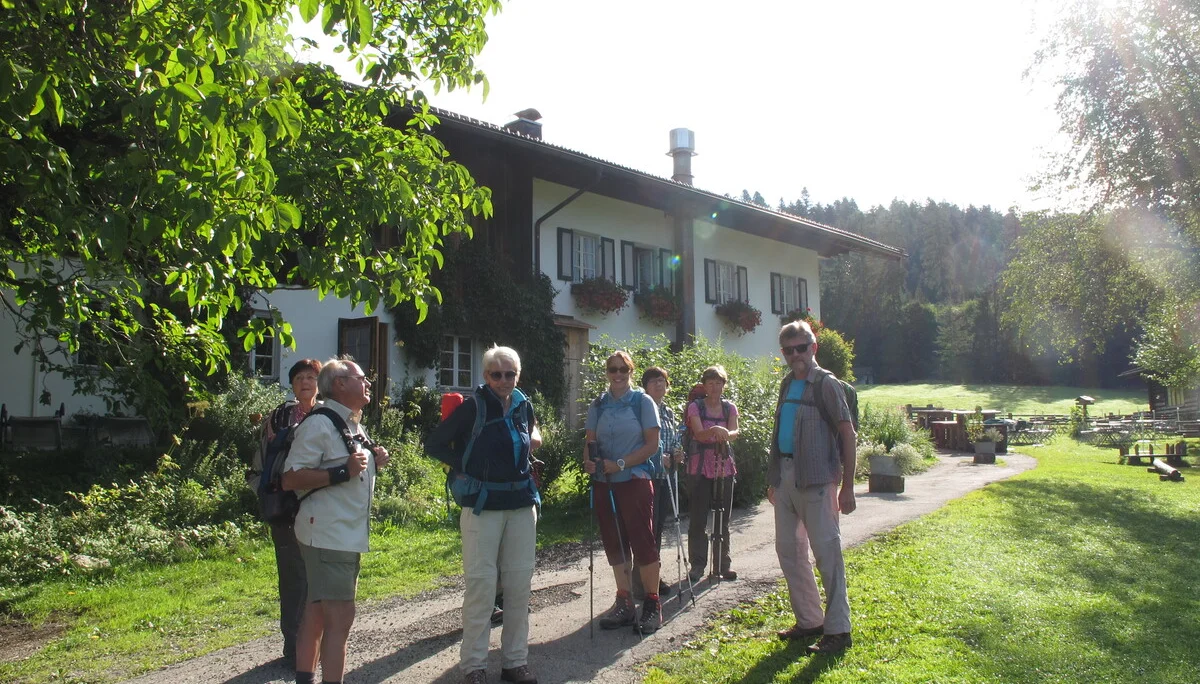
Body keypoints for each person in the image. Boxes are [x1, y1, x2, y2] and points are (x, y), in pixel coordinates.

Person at [426, 346, 542, 684]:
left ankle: (515, 663)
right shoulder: (473, 407)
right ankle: (474, 667)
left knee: (520, 587)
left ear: (517, 376)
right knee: (481, 587)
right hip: (482, 506)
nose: (504, 380)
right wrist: (466, 468)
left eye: (510, 374)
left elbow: (530, 438)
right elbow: (433, 444)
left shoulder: (523, 405)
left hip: (521, 505)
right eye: (497, 374)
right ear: (486, 376)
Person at [282, 358, 390, 684]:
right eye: (362, 377)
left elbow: (354, 465)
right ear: (340, 384)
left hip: (339, 533)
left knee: (316, 613)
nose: (368, 382)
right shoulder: (319, 423)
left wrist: (376, 459)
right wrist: (342, 471)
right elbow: (290, 478)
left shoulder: (350, 423)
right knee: (340, 620)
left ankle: (304, 678)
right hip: (329, 535)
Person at [767, 320, 857, 655]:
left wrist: (846, 487)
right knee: (788, 551)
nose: (795, 355)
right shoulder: (787, 383)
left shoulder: (826, 384)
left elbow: (847, 434)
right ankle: (810, 621)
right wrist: (773, 478)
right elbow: (779, 433)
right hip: (786, 478)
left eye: (801, 348)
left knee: (827, 555)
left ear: (813, 347)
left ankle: (838, 631)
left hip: (819, 481)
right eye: (788, 350)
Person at [247, 358, 322, 665]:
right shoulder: (279, 418)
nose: (305, 382)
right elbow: (259, 465)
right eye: (299, 378)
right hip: (287, 510)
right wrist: (268, 493)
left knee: (319, 579)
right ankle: (293, 648)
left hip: (322, 510)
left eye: (311, 377)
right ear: (292, 384)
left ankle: (314, 645)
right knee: (293, 580)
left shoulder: (328, 415)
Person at [583, 351, 664, 633]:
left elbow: (652, 445)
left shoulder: (643, 402)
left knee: (642, 541)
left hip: (635, 479)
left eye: (623, 369)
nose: (617, 374)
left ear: (631, 371)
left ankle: (652, 604)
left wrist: (619, 464)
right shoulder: (598, 405)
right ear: (606, 372)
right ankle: (625, 601)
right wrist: (589, 462)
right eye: (612, 369)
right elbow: (590, 442)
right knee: (614, 542)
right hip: (605, 483)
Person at [685, 365, 740, 582]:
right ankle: (698, 565)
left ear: (724, 385)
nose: (715, 387)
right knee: (698, 518)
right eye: (710, 383)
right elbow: (698, 434)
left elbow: (735, 432)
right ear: (704, 385)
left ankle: (722, 565)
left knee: (723, 517)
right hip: (699, 467)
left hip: (723, 465)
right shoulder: (695, 407)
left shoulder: (729, 408)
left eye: (718, 383)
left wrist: (725, 433)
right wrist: (716, 431)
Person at [630, 366, 682, 600]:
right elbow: (636, 440)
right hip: (646, 476)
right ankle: (639, 582)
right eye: (653, 382)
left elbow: (674, 440)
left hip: (665, 478)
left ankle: (651, 576)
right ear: (645, 387)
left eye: (662, 381)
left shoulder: (669, 411)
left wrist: (678, 454)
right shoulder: (640, 409)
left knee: (657, 529)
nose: (659, 385)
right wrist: (655, 456)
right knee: (646, 531)